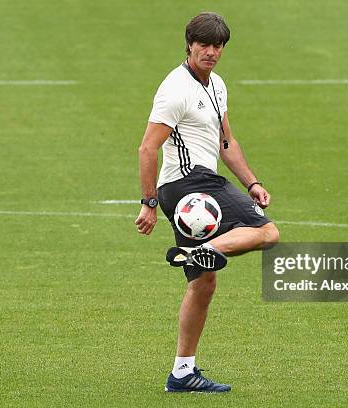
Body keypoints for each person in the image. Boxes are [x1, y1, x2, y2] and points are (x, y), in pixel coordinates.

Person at [135, 12, 279, 393]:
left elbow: (226, 143)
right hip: (188, 185)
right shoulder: (175, 90)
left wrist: (252, 182)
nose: (212, 52)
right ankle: (205, 248)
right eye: (205, 45)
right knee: (267, 231)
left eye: (218, 46)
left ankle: (182, 373)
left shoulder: (216, 85)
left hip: (197, 185)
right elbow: (147, 148)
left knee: (203, 284)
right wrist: (148, 202)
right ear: (190, 45)